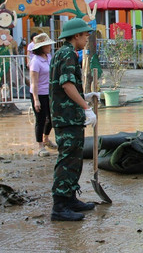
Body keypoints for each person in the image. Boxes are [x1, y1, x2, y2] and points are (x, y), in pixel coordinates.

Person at [49, 18, 99, 221]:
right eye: (86, 34)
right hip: (67, 118)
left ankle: (69, 198)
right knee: (68, 159)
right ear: (76, 35)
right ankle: (60, 206)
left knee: (74, 159)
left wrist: (84, 96)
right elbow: (67, 85)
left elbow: (65, 86)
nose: (88, 38)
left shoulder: (63, 53)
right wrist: (86, 108)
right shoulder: (68, 54)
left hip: (67, 115)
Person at [29, 33, 56, 157]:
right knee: (40, 120)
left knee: (51, 118)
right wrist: (36, 100)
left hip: (49, 92)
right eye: (47, 45)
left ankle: (46, 138)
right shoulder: (35, 62)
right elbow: (34, 83)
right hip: (39, 93)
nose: (50, 46)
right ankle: (40, 146)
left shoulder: (48, 57)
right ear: (41, 47)